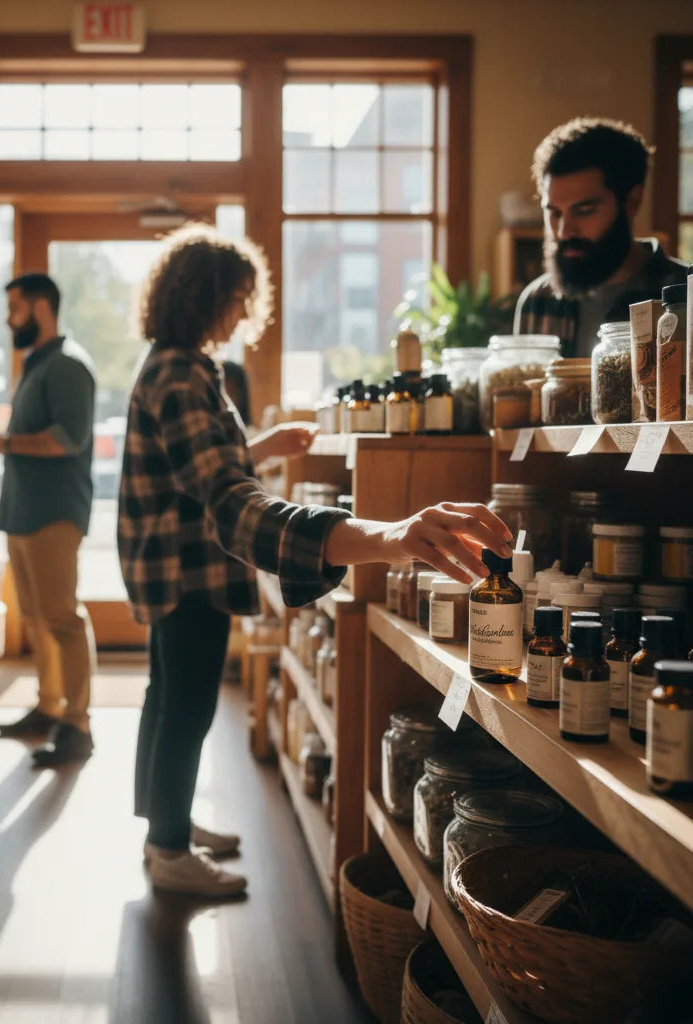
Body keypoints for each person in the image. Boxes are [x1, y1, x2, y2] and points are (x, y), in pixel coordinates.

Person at [119, 224, 513, 899]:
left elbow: (201, 469)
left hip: (170, 565)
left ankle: (167, 821)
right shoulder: (183, 373)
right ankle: (168, 848)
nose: (245, 313)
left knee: (168, 697)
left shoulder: (176, 364)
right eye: (238, 299)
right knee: (185, 705)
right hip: (190, 571)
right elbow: (226, 500)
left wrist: (261, 445)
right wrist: (387, 536)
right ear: (206, 296)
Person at [0, 273, 98, 768]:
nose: (9, 319)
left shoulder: (69, 367)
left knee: (63, 618)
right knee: (36, 618)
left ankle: (78, 725)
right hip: (23, 511)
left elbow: (66, 439)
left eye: (15, 309)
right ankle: (49, 707)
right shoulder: (36, 364)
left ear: (42, 309)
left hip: (54, 512)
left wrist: (1, 441)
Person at [514, 116, 689, 357]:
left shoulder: (685, 296)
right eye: (554, 213)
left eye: (584, 211)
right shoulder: (537, 303)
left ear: (632, 202)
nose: (564, 231)